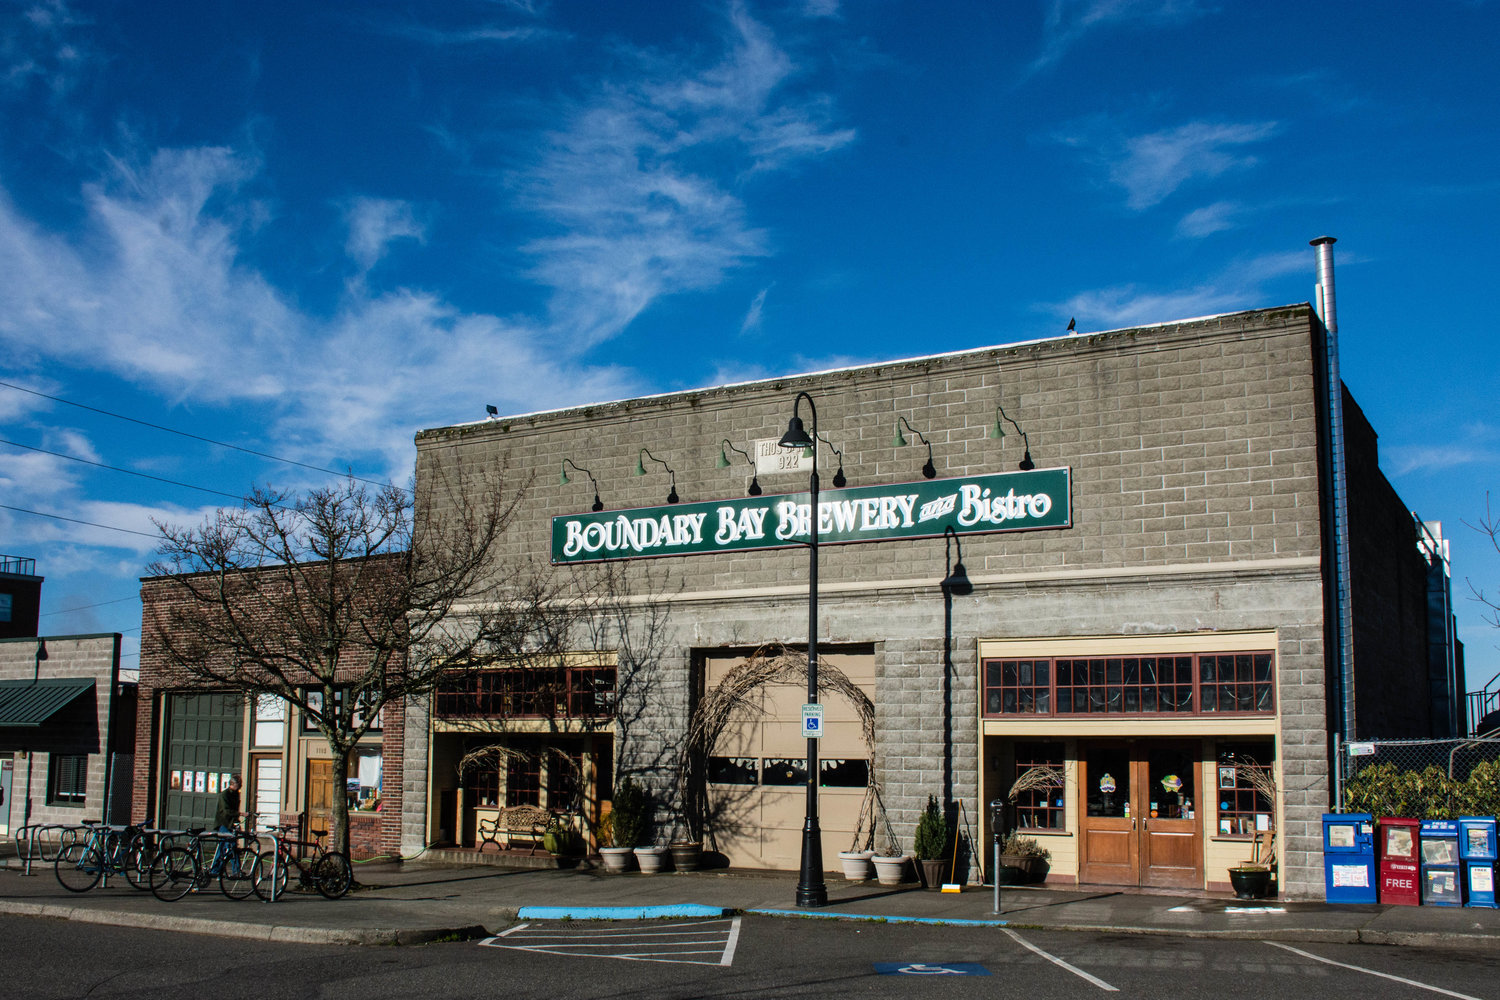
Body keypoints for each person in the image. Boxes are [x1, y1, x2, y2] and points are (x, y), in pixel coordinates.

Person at [208, 774, 243, 875]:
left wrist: (236, 821)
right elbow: (226, 811)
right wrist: (239, 814)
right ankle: (217, 869)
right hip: (224, 823)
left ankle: (231, 870)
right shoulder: (224, 795)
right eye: (238, 784)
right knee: (226, 845)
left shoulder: (236, 794)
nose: (239, 786)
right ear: (232, 784)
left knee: (230, 846)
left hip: (231, 823)